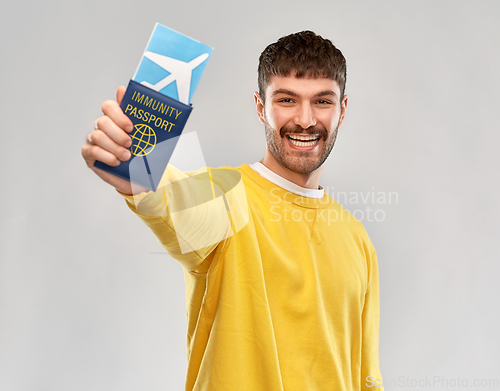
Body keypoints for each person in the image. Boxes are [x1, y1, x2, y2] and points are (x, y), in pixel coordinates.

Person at [82, 30, 384, 391]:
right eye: (287, 100)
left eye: (322, 101)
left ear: (342, 110)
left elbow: (366, 376)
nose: (305, 120)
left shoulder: (357, 238)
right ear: (260, 107)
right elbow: (167, 198)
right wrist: (131, 168)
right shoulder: (224, 198)